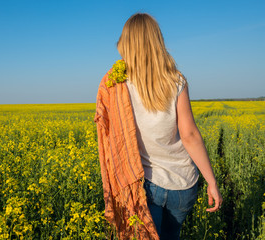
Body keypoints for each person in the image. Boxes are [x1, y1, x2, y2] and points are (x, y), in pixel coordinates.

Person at [94, 13, 223, 240]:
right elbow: (189, 135)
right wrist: (211, 181)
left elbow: (110, 135)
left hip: (145, 187)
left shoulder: (115, 85)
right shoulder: (176, 80)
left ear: (126, 44)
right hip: (183, 184)